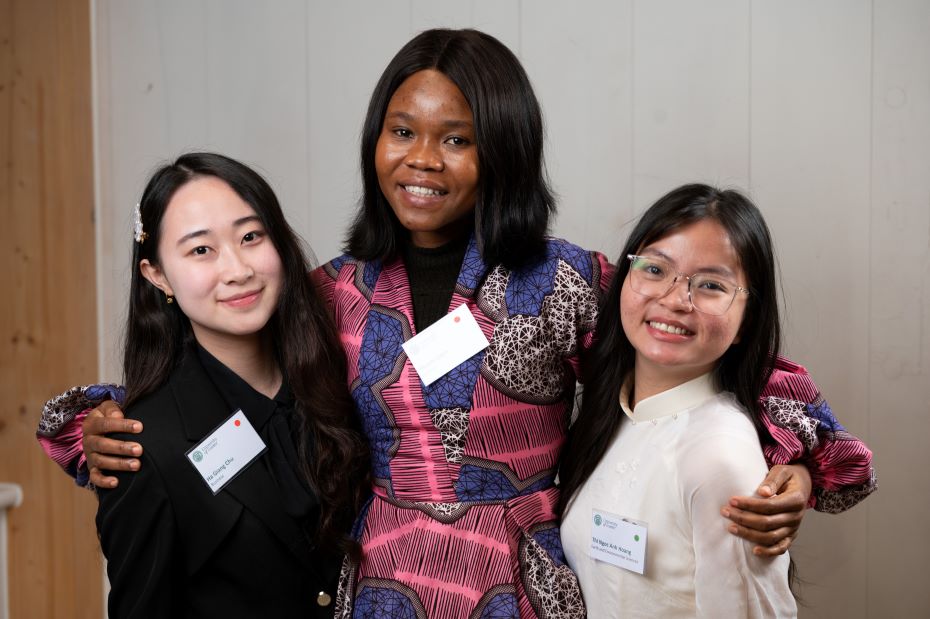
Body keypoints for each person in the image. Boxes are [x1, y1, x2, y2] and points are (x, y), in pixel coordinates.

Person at [37, 30, 874, 619]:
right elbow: (226, 374)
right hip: (379, 581)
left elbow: (703, 353)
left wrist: (796, 461)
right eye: (402, 132)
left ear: (502, 149)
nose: (422, 160)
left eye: (458, 139)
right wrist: (101, 421)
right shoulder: (334, 291)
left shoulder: (570, 281)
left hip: (526, 579)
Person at [559, 184, 874, 617]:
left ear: (746, 321)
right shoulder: (610, 411)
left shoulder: (718, 457)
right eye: (654, 270)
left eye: (710, 285)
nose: (674, 300)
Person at [82, 152, 369, 617]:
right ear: (157, 275)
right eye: (201, 250)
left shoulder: (347, 381)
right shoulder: (145, 445)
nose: (237, 269)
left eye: (251, 237)